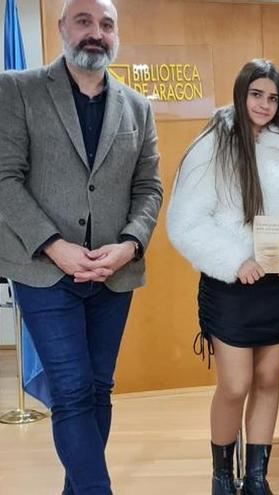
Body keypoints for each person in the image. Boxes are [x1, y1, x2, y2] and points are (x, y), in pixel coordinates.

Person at [0, 0, 163, 493]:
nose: (96, 33)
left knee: (97, 389)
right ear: (62, 29)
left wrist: (130, 245)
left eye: (107, 25)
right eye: (85, 21)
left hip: (114, 273)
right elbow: (6, 178)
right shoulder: (17, 89)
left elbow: (149, 188)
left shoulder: (138, 106)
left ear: (116, 35)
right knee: (71, 392)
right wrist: (54, 245)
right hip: (44, 271)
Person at [166, 58, 279, 495]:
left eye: (273, 97)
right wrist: (234, 259)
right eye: (257, 94)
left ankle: (256, 478)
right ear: (240, 93)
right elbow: (186, 222)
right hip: (231, 285)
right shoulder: (212, 144)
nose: (265, 104)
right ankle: (221, 476)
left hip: (278, 285)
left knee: (269, 380)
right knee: (235, 384)